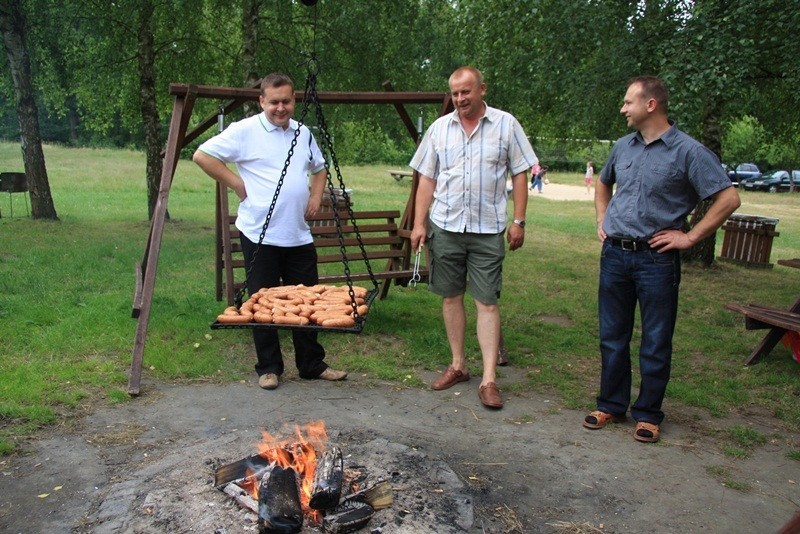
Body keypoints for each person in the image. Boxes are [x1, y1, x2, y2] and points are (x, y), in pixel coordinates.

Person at [585, 76, 740, 442]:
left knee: (655, 339)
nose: (623, 108)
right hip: (615, 255)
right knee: (612, 336)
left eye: (628, 102)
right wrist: (601, 218)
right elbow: (604, 183)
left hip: (656, 260)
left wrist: (691, 236)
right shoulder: (623, 147)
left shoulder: (689, 151)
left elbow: (728, 198)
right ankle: (610, 405)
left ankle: (649, 414)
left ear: (650, 104)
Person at [193, 72, 347, 391]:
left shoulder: (303, 133)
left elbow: (319, 169)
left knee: (307, 302)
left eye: (287, 101)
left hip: (298, 234)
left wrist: (317, 196)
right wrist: (237, 183)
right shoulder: (244, 131)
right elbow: (201, 155)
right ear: (261, 101)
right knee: (263, 302)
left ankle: (311, 364)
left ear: (295, 100)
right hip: (259, 234)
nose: (281, 108)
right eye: (274, 102)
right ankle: (268, 367)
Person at [409, 66, 538, 409]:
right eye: (455, 93)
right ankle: (458, 365)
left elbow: (521, 173)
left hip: (487, 229)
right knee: (450, 297)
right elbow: (426, 180)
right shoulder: (439, 129)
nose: (460, 99)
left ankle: (489, 379)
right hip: (446, 226)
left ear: (482, 88)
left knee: (487, 302)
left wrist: (519, 221)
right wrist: (420, 223)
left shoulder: (506, 125)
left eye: (466, 92)